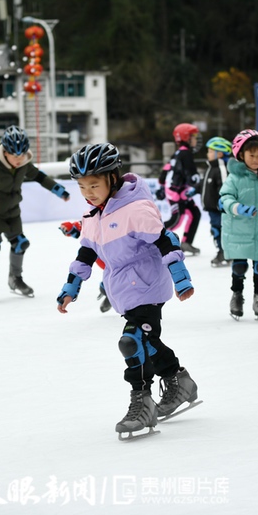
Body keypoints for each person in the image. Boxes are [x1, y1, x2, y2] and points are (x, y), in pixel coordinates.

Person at [57, 143, 200, 440]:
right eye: (82, 186)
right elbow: (85, 253)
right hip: (123, 290)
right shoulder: (93, 216)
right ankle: (178, 381)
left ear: (112, 177)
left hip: (147, 286)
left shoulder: (135, 208)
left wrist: (181, 279)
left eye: (94, 185)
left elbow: (167, 240)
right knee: (148, 342)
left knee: (131, 341)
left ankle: (141, 401)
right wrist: (71, 287)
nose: (88, 192)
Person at [0, 125, 70, 300]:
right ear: (5, 152)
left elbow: (40, 177)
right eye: (15, 155)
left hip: (12, 212)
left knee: (21, 243)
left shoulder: (23, 165)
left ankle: (15, 279)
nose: (19, 159)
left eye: (22, 154)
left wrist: (58, 190)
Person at [218, 130, 258, 321]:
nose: (256, 159)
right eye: (251, 155)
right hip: (238, 232)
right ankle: (237, 296)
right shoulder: (234, 178)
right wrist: (238, 208)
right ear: (241, 155)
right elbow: (224, 199)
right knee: (240, 267)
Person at [156, 123, 203, 255]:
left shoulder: (178, 153)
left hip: (180, 192)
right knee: (176, 220)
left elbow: (165, 170)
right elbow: (191, 175)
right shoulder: (185, 153)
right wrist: (197, 182)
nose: (196, 140)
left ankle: (186, 243)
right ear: (186, 137)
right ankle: (153, 236)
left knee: (195, 213)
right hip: (176, 193)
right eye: (193, 137)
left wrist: (161, 186)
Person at [58, 220, 111, 313]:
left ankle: (109, 289)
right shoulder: (96, 216)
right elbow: (83, 227)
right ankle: (108, 289)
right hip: (108, 261)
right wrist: (70, 227)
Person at [201, 136, 232, 267]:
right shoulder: (211, 167)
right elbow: (205, 185)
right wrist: (194, 190)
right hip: (211, 209)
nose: (207, 154)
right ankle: (222, 251)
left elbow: (224, 187)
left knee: (220, 229)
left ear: (219, 153)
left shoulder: (221, 168)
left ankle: (225, 252)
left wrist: (223, 202)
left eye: (209, 151)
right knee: (215, 229)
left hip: (219, 209)